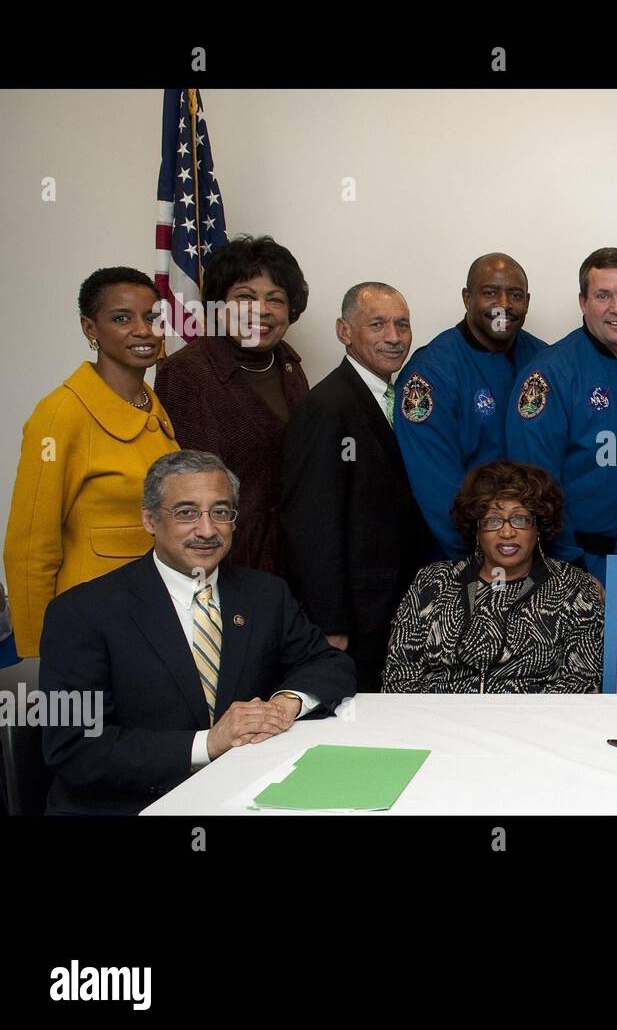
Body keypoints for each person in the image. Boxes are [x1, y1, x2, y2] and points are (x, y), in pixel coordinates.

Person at [40, 451, 356, 815]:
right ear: (149, 520)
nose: (207, 530)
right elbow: (73, 747)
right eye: (186, 513)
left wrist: (283, 705)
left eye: (220, 512)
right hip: (132, 806)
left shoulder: (264, 594)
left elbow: (329, 663)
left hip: (242, 797)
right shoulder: (80, 613)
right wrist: (208, 744)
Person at [4, 266, 178, 657]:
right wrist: (41, 647)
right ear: (89, 329)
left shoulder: (151, 405)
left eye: (152, 318)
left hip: (155, 613)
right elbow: (30, 543)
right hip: (93, 622)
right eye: (122, 318)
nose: (143, 330)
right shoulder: (60, 413)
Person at [281, 282, 434, 692]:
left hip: (394, 605)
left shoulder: (399, 398)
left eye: (402, 324)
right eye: (378, 324)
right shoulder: (327, 406)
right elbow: (312, 524)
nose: (394, 337)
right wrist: (330, 622)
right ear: (344, 331)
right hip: (354, 615)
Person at [506, 247, 617, 586]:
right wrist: (575, 569)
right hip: (580, 565)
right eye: (603, 296)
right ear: (583, 302)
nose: (616, 308)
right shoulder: (549, 375)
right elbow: (534, 488)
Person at [153, 234, 311, 573]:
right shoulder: (186, 373)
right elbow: (184, 485)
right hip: (221, 563)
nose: (262, 310)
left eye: (276, 299)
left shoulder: (289, 365)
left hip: (293, 562)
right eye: (244, 297)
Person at [383, 460, 603, 693]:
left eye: (520, 519)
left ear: (538, 526)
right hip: (439, 722)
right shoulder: (432, 582)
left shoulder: (575, 588)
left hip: (532, 724)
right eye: (493, 521)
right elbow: (399, 677)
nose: (507, 532)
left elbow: (582, 684)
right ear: (477, 529)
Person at [394, 253, 547, 559]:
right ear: (467, 298)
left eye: (515, 295)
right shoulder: (430, 374)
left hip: (535, 553)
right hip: (463, 558)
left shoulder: (544, 360)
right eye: (490, 292)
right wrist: (487, 558)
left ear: (527, 302)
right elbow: (436, 489)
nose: (504, 303)